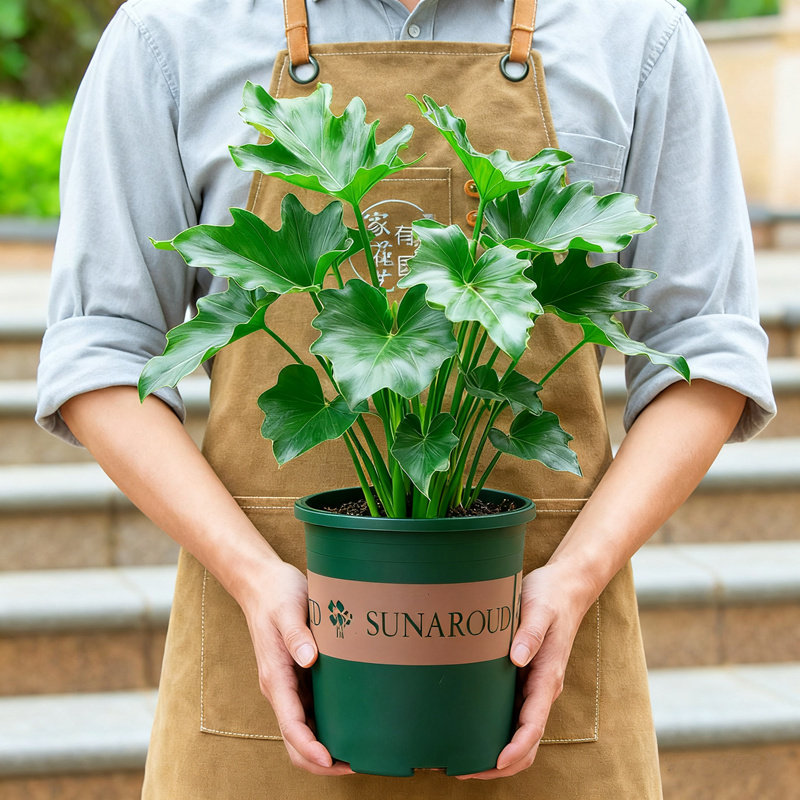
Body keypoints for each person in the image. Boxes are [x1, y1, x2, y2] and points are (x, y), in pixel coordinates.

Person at [36, 0, 775, 797]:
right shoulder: (170, 31)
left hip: (540, 675)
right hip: (262, 681)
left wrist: (575, 578)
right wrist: (253, 576)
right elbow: (99, 353)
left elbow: (706, 350)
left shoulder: (636, 32)